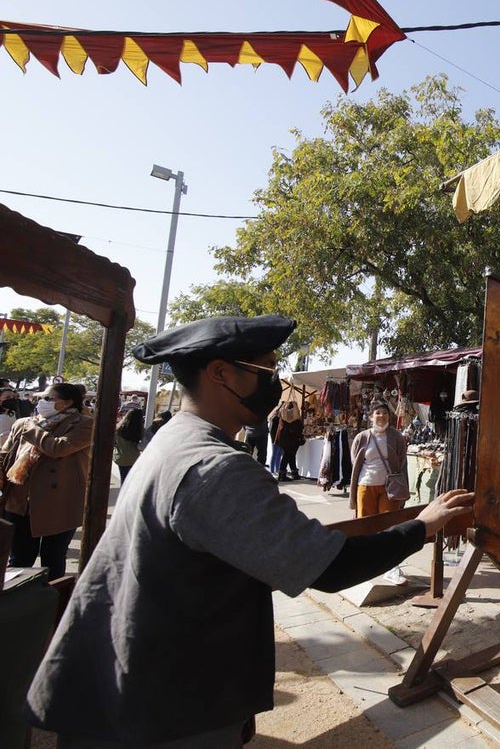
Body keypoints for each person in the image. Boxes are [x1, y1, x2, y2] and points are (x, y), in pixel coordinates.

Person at [24, 313, 473, 746]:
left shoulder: (175, 438)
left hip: (134, 680)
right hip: (163, 703)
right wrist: (421, 526)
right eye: (266, 371)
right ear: (221, 373)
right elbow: (331, 567)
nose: (275, 384)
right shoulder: (215, 467)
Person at [0, 382, 93, 579]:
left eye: (49, 398)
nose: (42, 402)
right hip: (20, 502)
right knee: (19, 560)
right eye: (41, 398)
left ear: (67, 402)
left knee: (53, 559)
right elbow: (6, 454)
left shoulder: (84, 424)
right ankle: (17, 597)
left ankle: (51, 597)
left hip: (59, 503)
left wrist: (33, 430)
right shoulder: (24, 423)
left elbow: (58, 448)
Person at [349, 400, 410, 585]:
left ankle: (391, 567)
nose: (381, 416)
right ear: (371, 417)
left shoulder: (397, 437)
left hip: (389, 488)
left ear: (389, 416)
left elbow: (401, 460)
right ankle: (365, 564)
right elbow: (355, 460)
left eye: (384, 413)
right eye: (377, 413)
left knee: (390, 525)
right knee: (365, 525)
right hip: (365, 485)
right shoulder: (362, 437)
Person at [112, 407, 144, 484]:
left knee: (123, 479)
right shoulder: (139, 430)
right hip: (133, 458)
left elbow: (113, 442)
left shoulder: (118, 428)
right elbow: (142, 444)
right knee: (131, 480)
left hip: (120, 457)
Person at [274, 402, 304, 481]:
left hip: (284, 439)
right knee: (288, 456)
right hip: (293, 439)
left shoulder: (283, 417)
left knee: (290, 455)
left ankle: (293, 473)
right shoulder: (295, 419)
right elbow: (299, 429)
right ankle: (282, 475)